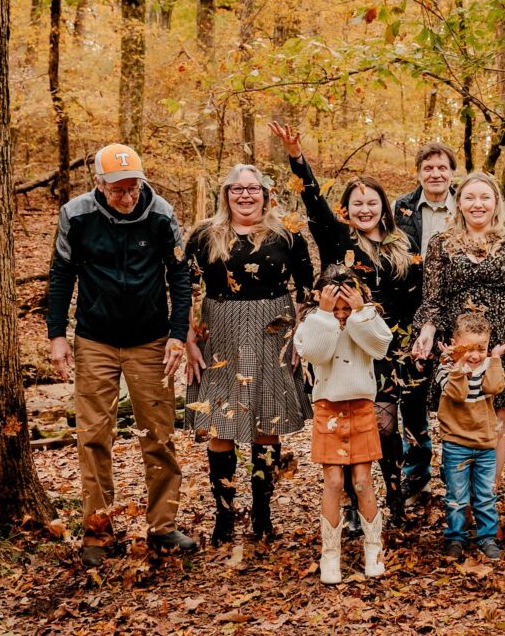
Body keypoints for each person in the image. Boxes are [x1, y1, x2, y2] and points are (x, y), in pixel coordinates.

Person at [46, 143, 197, 568]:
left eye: (133, 189)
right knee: (94, 435)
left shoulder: (162, 214)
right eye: (118, 191)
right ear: (98, 184)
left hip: (150, 339)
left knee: (159, 435)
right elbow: (61, 274)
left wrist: (177, 335)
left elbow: (180, 276)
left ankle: (163, 527)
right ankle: (97, 530)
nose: (127, 198)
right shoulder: (76, 215)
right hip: (95, 339)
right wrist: (57, 334)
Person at [269, 122, 421, 528]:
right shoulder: (338, 239)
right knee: (352, 429)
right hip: (348, 350)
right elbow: (314, 201)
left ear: (383, 206)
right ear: (348, 209)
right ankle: (354, 507)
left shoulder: (404, 244)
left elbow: (415, 295)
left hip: (390, 347)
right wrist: (297, 158)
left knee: (387, 427)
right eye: (357, 203)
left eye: (372, 202)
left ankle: (394, 498)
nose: (365, 209)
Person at [183, 163, 313, 544]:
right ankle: (224, 516)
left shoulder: (286, 233)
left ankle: (262, 513)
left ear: (265, 194)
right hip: (219, 327)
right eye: (237, 189)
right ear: (225, 194)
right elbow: (183, 286)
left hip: (273, 327)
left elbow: (307, 289)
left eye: (252, 189)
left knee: (265, 420)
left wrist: (300, 337)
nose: (245, 195)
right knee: (221, 420)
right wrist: (188, 334)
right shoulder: (205, 234)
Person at [412, 172, 505, 493]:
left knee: (495, 431)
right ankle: (460, 505)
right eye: (470, 197)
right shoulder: (441, 244)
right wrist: (426, 333)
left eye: (485, 197)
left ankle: (485, 506)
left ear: (496, 203)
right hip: (460, 352)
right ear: (459, 203)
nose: (477, 204)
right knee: (458, 430)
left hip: (503, 351)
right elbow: (433, 301)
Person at [294, 265, 394, 584]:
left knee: (363, 481)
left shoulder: (365, 317)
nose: (340, 314)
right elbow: (316, 354)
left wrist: (359, 312)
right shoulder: (314, 322)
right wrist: (324, 316)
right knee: (335, 482)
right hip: (328, 407)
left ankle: (373, 548)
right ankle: (331, 554)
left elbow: (379, 346)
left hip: (361, 404)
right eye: (335, 308)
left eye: (344, 307)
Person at [393, 142, 459, 502]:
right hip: (410, 312)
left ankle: (455, 472)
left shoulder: (466, 204)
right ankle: (416, 471)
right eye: (428, 167)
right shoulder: (401, 207)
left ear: (452, 172)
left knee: (456, 391)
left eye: (442, 167)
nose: (435, 174)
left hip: (458, 313)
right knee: (412, 395)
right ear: (418, 172)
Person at [436, 312, 505, 560]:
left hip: (485, 444)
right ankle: (455, 538)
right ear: (455, 342)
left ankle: (487, 537)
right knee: (456, 496)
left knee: (485, 494)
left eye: (482, 348)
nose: (476, 355)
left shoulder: (488, 365)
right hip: (456, 443)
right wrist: (458, 366)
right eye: (469, 348)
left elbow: (494, 388)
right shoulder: (446, 367)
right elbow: (456, 394)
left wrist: (496, 359)